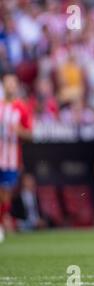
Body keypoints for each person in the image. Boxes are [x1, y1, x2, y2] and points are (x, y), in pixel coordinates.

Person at [0, 71, 33, 243]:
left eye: (13, 83)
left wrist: (19, 131)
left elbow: (30, 134)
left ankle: (2, 220)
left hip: (11, 158)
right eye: (7, 82)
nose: (10, 86)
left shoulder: (21, 107)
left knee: (5, 194)